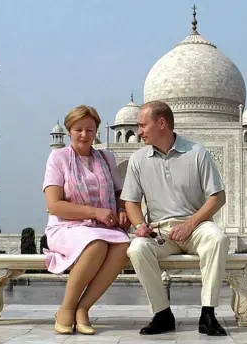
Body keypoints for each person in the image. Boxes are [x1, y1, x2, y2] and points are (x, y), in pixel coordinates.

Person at [121, 100, 230, 337]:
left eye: (142, 125)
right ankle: (162, 314)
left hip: (197, 226)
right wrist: (139, 225)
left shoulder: (197, 153)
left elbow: (217, 197)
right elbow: (130, 201)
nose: (138, 132)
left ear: (161, 123)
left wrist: (190, 224)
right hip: (160, 232)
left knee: (218, 239)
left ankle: (208, 313)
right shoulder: (138, 160)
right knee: (137, 249)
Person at [42, 105, 131, 335]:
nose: (84, 135)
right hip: (66, 226)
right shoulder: (58, 158)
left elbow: (120, 194)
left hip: (101, 226)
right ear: (69, 130)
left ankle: (83, 308)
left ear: (97, 132)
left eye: (90, 130)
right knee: (96, 245)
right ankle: (66, 309)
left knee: (123, 246)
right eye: (79, 129)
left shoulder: (106, 157)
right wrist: (95, 212)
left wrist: (121, 210)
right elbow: (54, 205)